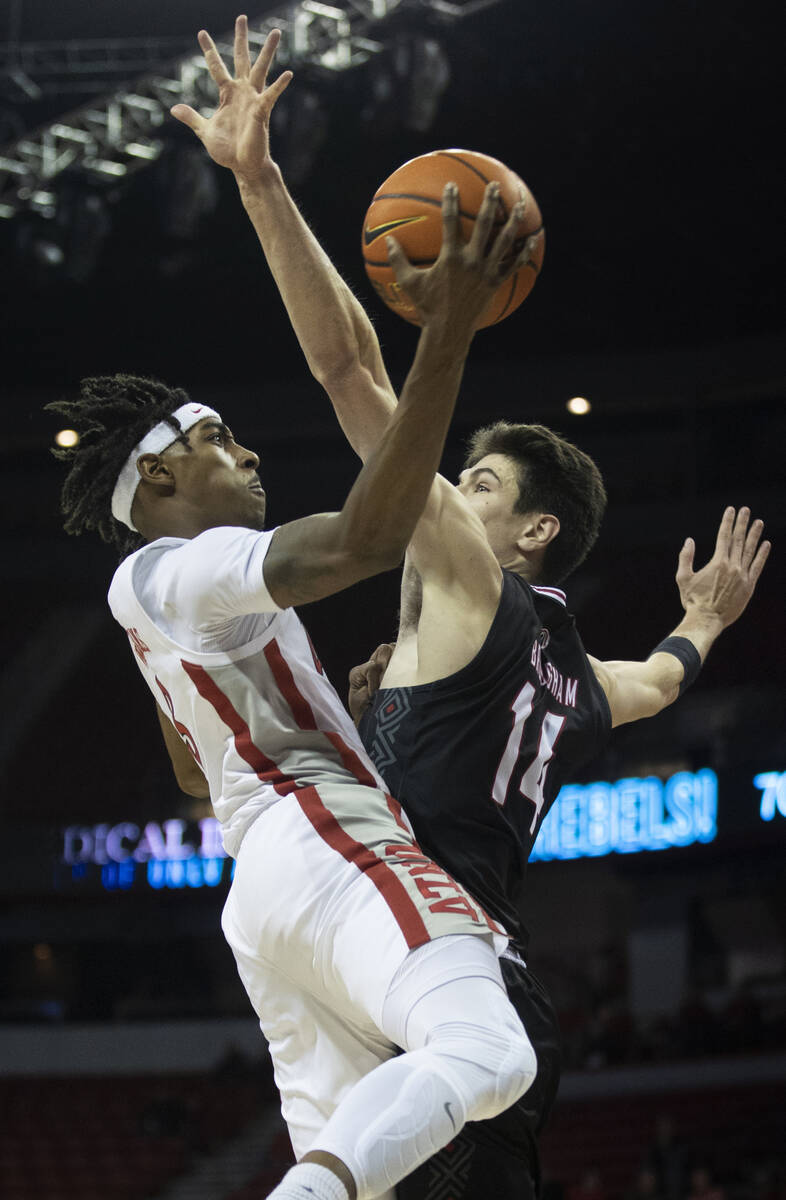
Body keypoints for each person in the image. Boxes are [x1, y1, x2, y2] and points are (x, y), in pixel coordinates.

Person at [164, 15, 771, 1200]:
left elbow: (352, 373)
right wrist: (702, 621)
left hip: (414, 955)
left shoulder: (471, 581)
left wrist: (262, 183)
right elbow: (661, 681)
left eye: (477, 485)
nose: (450, 489)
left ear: (533, 534)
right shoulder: (580, 681)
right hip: (431, 965)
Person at [47, 21, 545, 1200]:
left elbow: (188, 770)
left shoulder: (153, 610)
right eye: (218, 439)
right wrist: (452, 336)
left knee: (344, 1177)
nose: (249, 449)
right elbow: (370, 536)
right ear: (155, 482)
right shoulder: (190, 562)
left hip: (265, 889)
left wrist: (312, 701)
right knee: (491, 1051)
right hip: (328, 843)